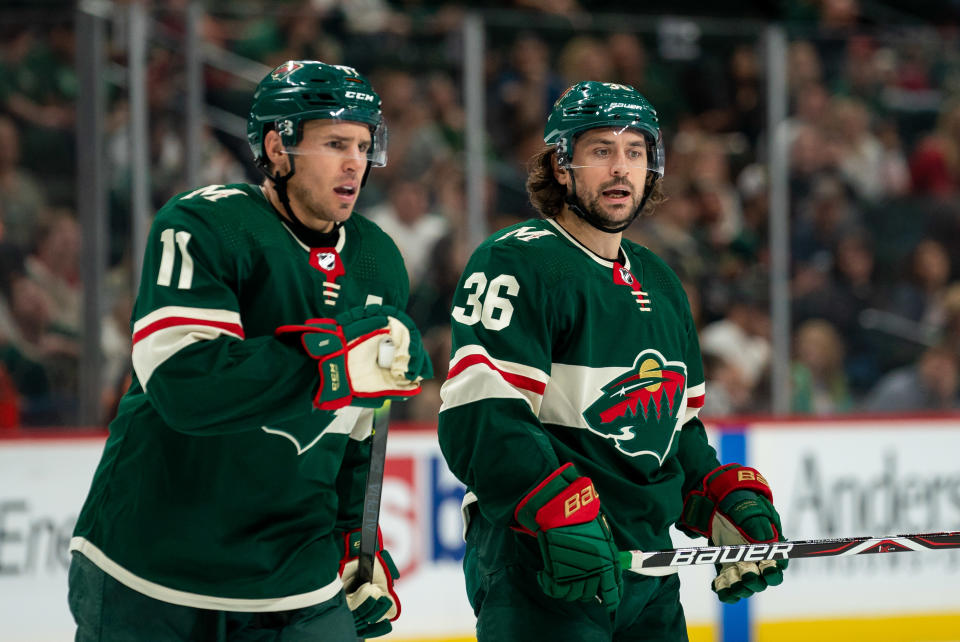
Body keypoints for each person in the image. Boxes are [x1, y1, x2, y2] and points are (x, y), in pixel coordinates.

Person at [68, 60, 432, 641]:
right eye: (335, 142)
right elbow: (184, 386)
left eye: (364, 145)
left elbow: (364, 425)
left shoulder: (379, 259)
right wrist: (332, 367)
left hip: (298, 578)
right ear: (277, 147)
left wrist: (354, 540)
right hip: (153, 569)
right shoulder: (206, 223)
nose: (354, 163)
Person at [437, 81, 788, 641]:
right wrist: (554, 508)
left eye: (636, 152)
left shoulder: (661, 280)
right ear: (561, 164)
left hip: (650, 572)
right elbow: (482, 417)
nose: (621, 168)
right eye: (601, 150)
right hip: (543, 565)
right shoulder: (519, 261)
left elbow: (676, 429)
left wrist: (716, 496)